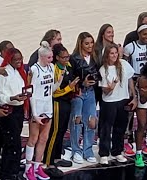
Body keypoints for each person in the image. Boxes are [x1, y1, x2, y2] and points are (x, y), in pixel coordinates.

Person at [25, 41, 63, 180]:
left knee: (44, 138)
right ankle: (28, 169)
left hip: (48, 105)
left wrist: (59, 81)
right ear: (41, 57)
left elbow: (51, 90)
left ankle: (37, 166)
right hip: (36, 106)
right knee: (33, 138)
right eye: (49, 58)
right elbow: (30, 92)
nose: (52, 60)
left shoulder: (51, 67)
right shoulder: (34, 70)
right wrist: (34, 114)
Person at [98, 43, 137, 165]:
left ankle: (117, 151)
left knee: (120, 127)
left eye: (116, 53)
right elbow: (105, 90)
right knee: (106, 128)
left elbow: (130, 79)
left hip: (123, 99)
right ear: (107, 55)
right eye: (112, 53)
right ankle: (104, 153)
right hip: (109, 102)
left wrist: (134, 96)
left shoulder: (124, 64)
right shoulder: (102, 69)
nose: (114, 55)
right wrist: (112, 86)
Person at [43, 43, 77, 176]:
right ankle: (48, 162)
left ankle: (57, 157)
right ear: (57, 58)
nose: (66, 59)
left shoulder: (68, 66)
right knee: (55, 132)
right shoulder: (55, 69)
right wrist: (70, 87)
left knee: (62, 131)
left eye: (67, 57)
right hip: (57, 103)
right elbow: (55, 92)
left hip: (67, 102)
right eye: (63, 57)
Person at [0, 48, 29, 179]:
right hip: (8, 112)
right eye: (16, 60)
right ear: (9, 59)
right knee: (11, 144)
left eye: (20, 59)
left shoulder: (20, 72)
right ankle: (6, 173)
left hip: (18, 110)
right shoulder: (4, 74)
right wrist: (12, 98)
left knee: (15, 142)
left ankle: (13, 169)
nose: (19, 61)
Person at [123, 23, 147, 155]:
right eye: (144, 34)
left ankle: (142, 141)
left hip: (145, 82)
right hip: (132, 81)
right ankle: (126, 141)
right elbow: (124, 65)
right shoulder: (130, 47)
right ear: (138, 34)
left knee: (144, 114)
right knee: (129, 113)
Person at [69, 32, 99, 164]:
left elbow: (99, 74)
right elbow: (70, 79)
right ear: (80, 44)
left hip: (91, 92)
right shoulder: (73, 58)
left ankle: (88, 150)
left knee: (91, 121)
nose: (90, 46)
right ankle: (76, 150)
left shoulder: (95, 57)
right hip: (78, 93)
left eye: (91, 43)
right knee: (77, 120)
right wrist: (82, 83)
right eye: (87, 43)